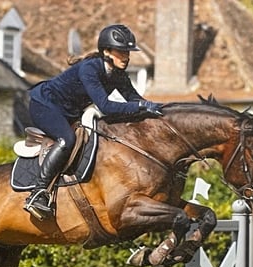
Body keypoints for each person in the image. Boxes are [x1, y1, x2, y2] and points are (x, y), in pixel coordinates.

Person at [23, 24, 164, 220]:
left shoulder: (118, 75)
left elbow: (134, 98)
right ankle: (38, 193)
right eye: (121, 51)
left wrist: (161, 109)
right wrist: (141, 107)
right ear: (106, 51)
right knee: (67, 139)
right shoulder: (90, 69)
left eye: (128, 52)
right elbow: (106, 106)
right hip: (44, 105)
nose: (126, 56)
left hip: (69, 111)